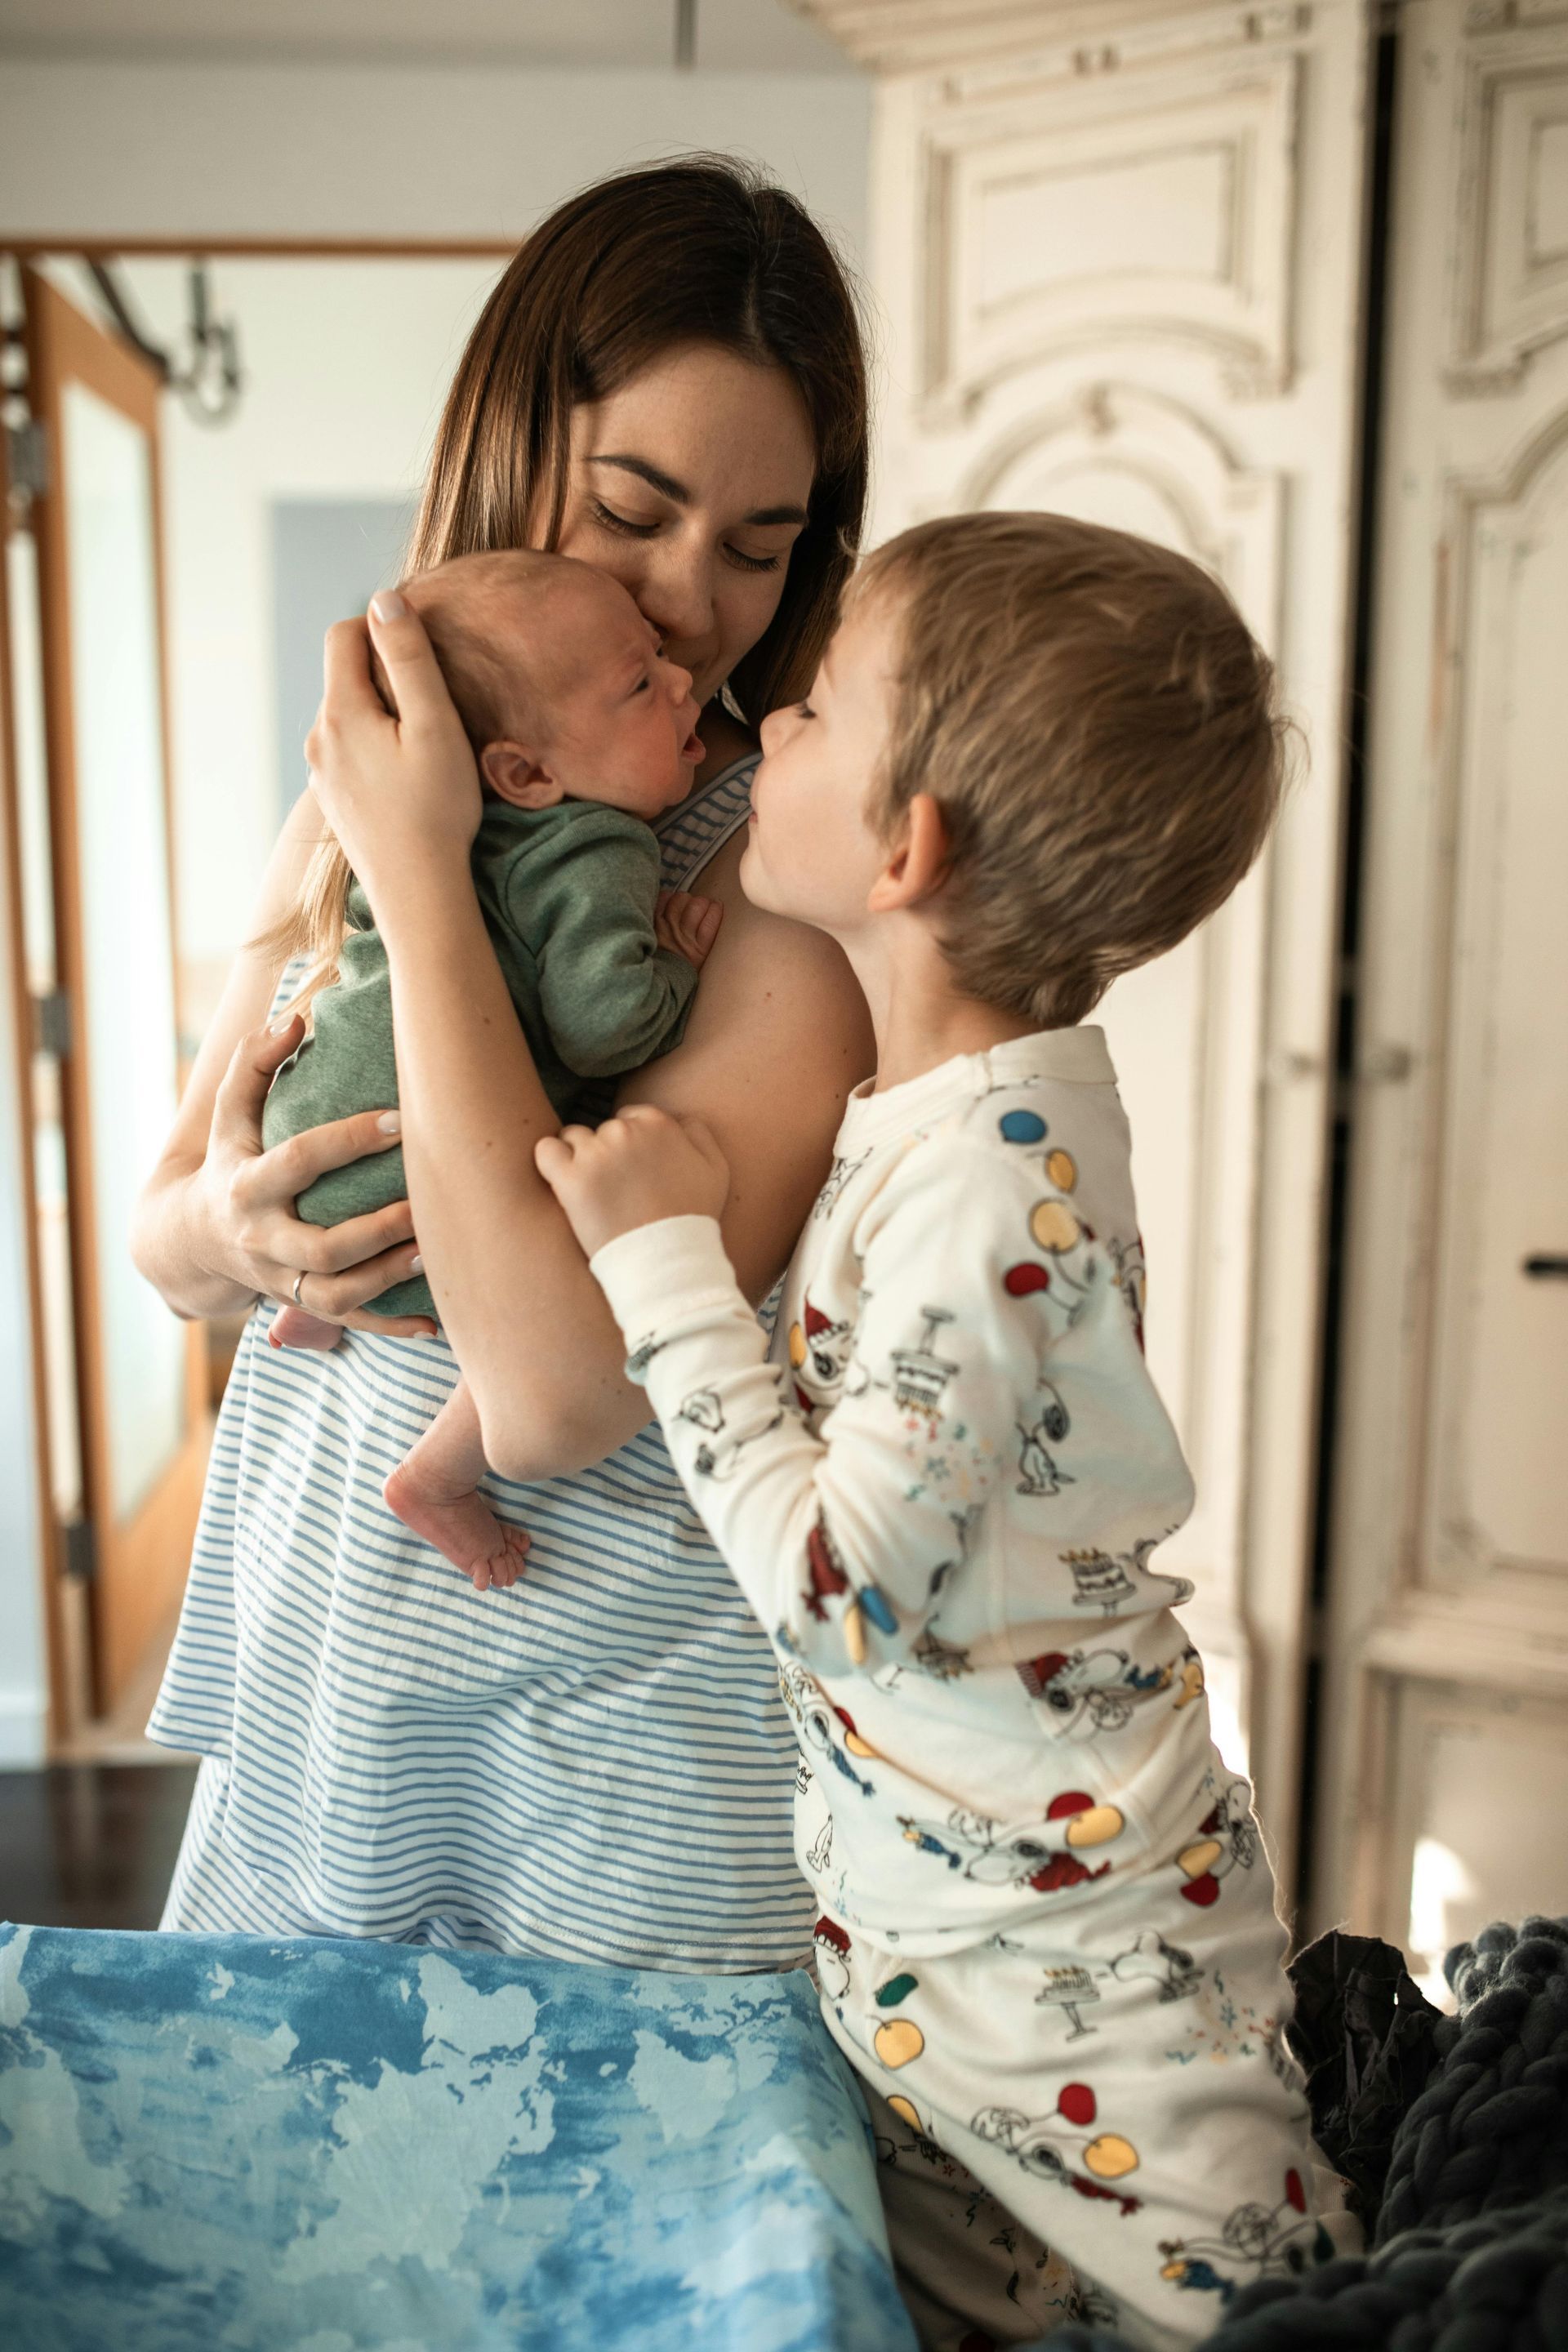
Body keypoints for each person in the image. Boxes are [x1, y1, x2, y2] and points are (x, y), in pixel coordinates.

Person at [510, 511, 1359, 2350]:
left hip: (1077, 1985)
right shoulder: (934, 1112)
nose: (765, 729)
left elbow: (836, 1592)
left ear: (909, 850)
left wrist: (660, 1269)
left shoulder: (992, 1178)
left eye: (809, 711)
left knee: (1258, 2319)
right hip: (957, 1950)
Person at [134, 158, 874, 1970]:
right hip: (327, 1702)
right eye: (636, 510)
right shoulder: (368, 791)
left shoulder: (774, 890)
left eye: (760, 548)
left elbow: (555, 1379)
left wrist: (417, 873)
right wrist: (245, 1231)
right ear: (512, 446)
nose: (696, 605)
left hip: (603, 1775)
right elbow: (157, 1243)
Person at [259, 550, 723, 1589]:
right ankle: (436, 1476)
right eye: (642, 683)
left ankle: (312, 1301)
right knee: (570, 1253)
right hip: (409, 1179)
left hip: (306, 1128)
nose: (684, 675)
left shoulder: (389, 812)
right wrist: (678, 970)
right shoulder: (597, 847)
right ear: (525, 774)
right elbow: (604, 1029)